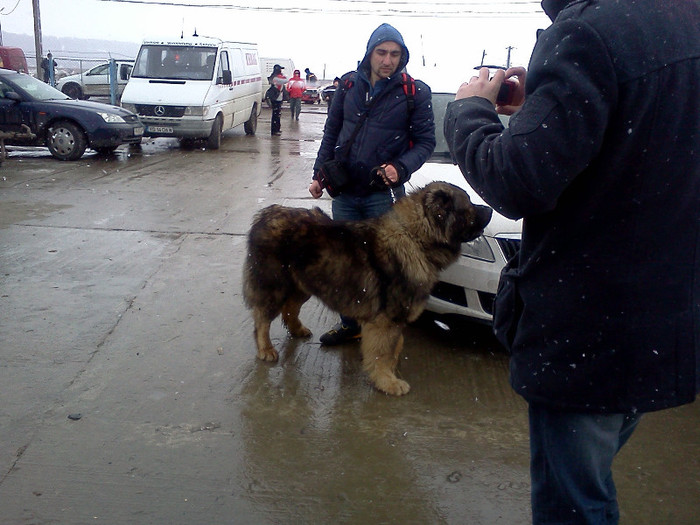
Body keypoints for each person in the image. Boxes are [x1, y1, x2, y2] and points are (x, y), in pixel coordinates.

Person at [443, 0, 700, 523]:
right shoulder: (683, 19)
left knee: (575, 506)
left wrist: (469, 111)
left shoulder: (589, 31)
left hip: (590, 332)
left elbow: (515, 179)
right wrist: (547, 110)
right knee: (591, 477)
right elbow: (640, 137)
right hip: (662, 324)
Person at [309, 23, 436, 345]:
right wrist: (318, 175)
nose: (388, 60)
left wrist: (400, 167)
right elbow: (332, 132)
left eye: (395, 54)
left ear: (402, 56)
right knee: (344, 264)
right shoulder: (349, 85)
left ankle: (379, 331)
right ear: (370, 53)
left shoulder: (414, 92)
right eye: (382, 52)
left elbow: (425, 143)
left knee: (383, 268)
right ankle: (350, 324)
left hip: (384, 196)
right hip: (346, 193)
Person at [267, 64, 286, 136]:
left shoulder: (273, 77)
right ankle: (275, 130)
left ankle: (276, 129)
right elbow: (286, 80)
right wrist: (282, 75)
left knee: (276, 115)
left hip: (277, 98)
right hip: (276, 98)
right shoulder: (276, 78)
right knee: (276, 115)